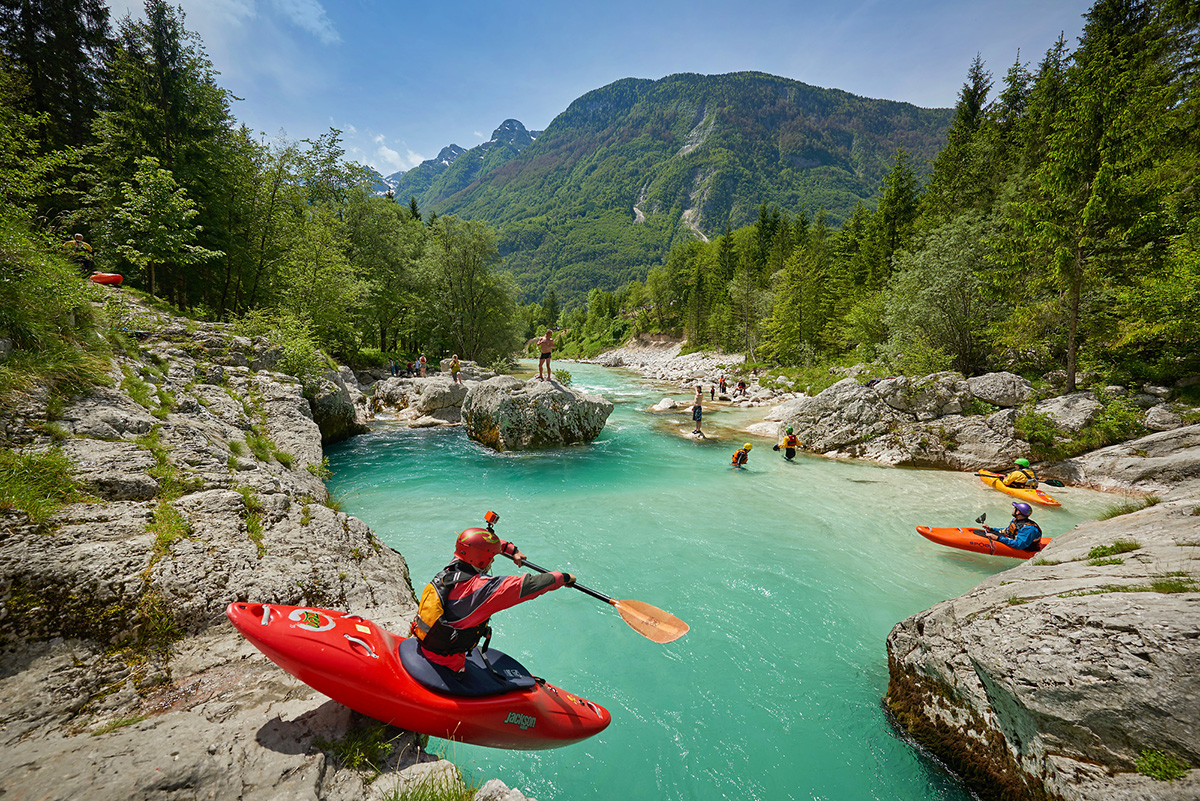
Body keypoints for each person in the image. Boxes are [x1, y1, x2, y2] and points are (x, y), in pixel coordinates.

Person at [410, 518, 575, 672]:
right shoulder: (483, 589)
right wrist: (564, 577)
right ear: (482, 560)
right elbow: (531, 585)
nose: (493, 561)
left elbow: (478, 545)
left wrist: (512, 550)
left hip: (427, 644)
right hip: (447, 662)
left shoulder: (454, 566)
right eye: (491, 557)